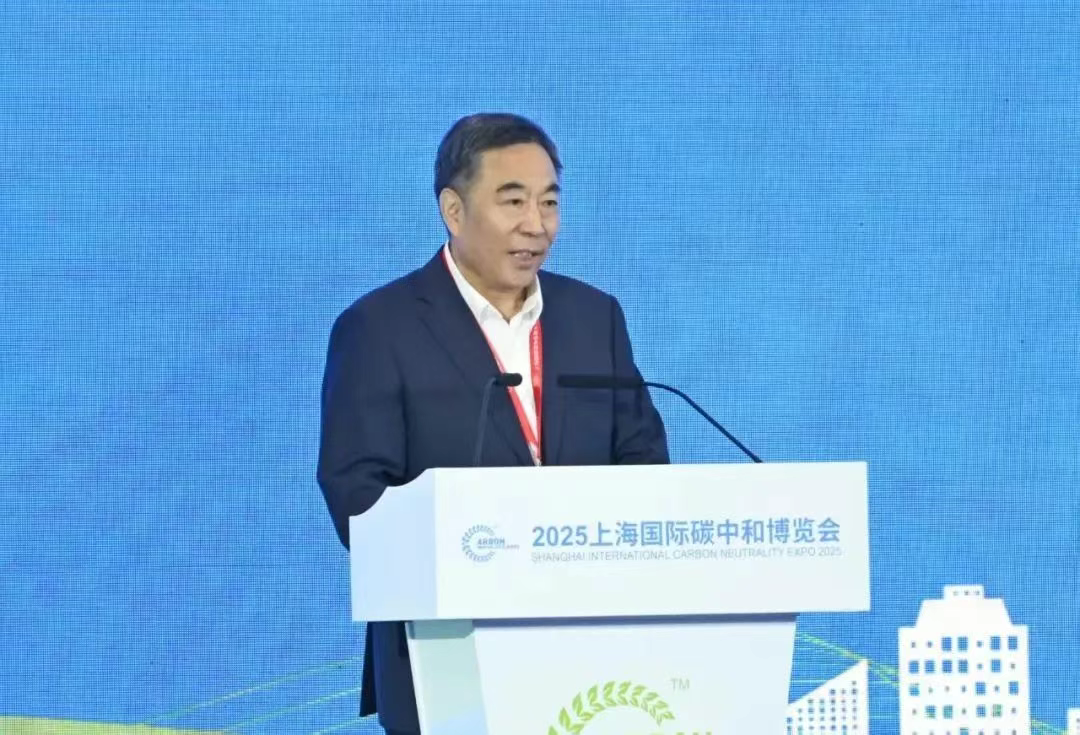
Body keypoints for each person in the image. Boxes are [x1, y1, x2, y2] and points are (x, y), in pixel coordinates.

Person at [317, 112, 669, 735]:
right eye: (513, 202)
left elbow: (644, 461)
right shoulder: (379, 328)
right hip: (448, 655)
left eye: (549, 202)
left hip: (594, 645)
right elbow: (357, 495)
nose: (537, 224)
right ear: (454, 211)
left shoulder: (595, 317)